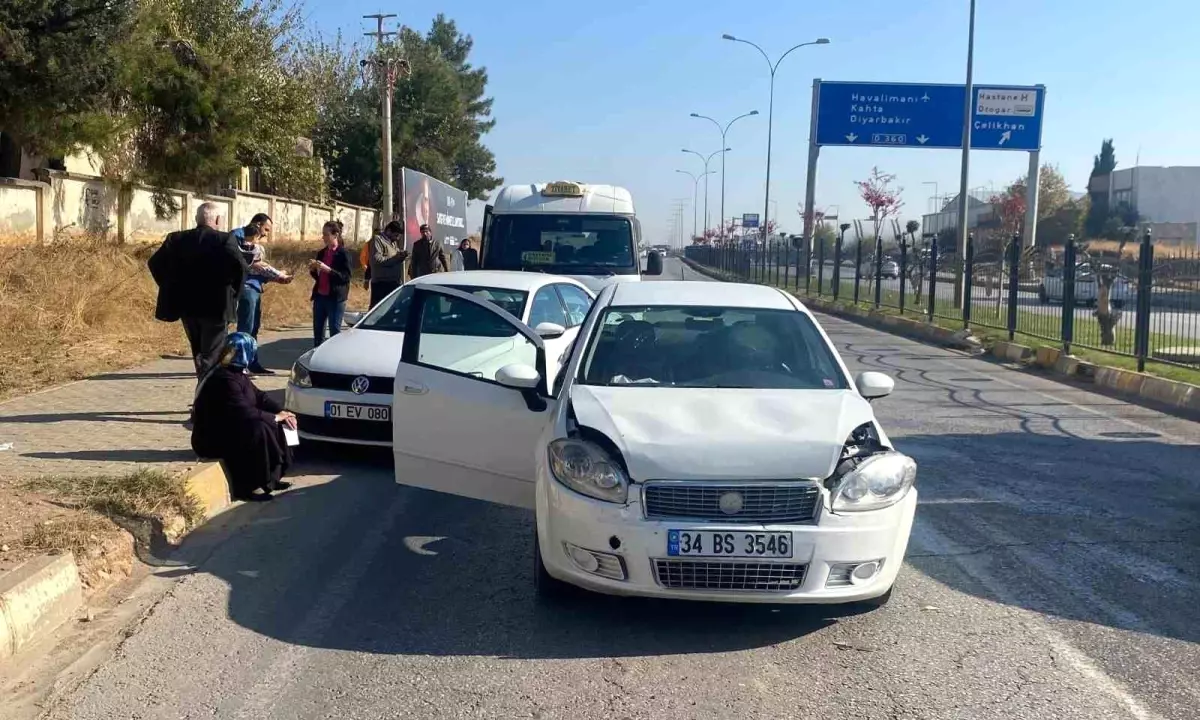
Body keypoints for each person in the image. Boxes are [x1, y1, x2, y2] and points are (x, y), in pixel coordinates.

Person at [191, 332, 295, 502]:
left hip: (232, 427)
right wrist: (274, 417)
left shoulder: (236, 373)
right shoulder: (223, 378)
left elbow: (260, 397)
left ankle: (270, 480)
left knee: (277, 425)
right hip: (212, 437)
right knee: (258, 428)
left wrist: (284, 412)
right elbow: (243, 412)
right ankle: (244, 488)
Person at [149, 202, 247, 382]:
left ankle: (204, 396)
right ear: (217, 219)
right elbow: (241, 268)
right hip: (216, 308)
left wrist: (169, 287)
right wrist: (235, 296)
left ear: (197, 219)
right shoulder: (224, 239)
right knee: (212, 356)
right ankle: (205, 400)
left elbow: (154, 263)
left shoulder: (176, 239)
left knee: (199, 353)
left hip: (187, 308)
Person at [234, 224, 292, 375]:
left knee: (252, 328)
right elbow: (259, 266)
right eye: (264, 231)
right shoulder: (244, 245)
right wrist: (279, 275)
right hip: (248, 289)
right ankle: (241, 365)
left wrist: (277, 276)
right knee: (246, 329)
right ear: (257, 230)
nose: (265, 235)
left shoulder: (242, 243)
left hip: (254, 288)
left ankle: (251, 363)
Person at [310, 220, 352, 346]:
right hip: (320, 296)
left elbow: (346, 277)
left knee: (334, 332)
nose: (324, 237)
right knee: (318, 333)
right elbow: (318, 277)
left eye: (326, 235)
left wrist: (327, 270)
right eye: (323, 234)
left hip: (335, 298)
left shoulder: (343, 254)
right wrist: (313, 270)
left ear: (336, 235)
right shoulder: (321, 253)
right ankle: (316, 359)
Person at [368, 220, 409, 307]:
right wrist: (396, 258)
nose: (397, 238)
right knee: (378, 310)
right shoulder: (377, 240)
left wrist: (402, 256)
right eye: (396, 235)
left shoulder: (393, 243)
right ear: (388, 231)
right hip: (381, 284)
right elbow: (377, 260)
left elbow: (395, 257)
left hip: (393, 282)